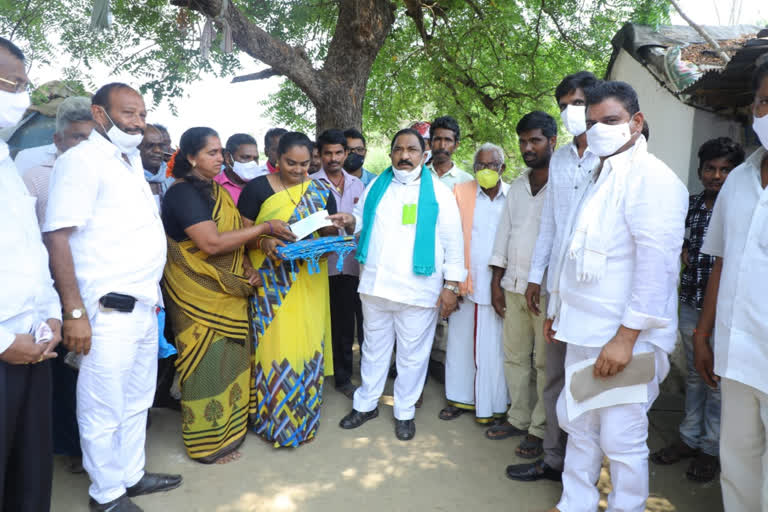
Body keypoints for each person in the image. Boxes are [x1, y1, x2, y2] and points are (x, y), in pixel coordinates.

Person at [544, 81, 687, 512]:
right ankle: (575, 504)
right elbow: (570, 249)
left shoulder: (654, 179)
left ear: (636, 122)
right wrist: (558, 309)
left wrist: (625, 339)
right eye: (592, 123)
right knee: (580, 427)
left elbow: (656, 267)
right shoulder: (599, 173)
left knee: (622, 439)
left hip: (625, 338)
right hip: (583, 329)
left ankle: (627, 506)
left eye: (610, 121)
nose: (599, 130)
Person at [43, 82, 182, 512]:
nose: (138, 123)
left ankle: (130, 475)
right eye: (128, 114)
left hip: (142, 307)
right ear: (100, 115)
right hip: (105, 311)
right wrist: (74, 312)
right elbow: (58, 238)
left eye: (141, 114)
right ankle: (105, 495)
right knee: (102, 406)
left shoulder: (128, 163)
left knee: (137, 400)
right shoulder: (81, 161)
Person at [161, 127, 293, 463]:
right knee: (205, 365)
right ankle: (206, 446)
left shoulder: (215, 191)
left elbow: (232, 237)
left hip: (228, 288)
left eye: (221, 152)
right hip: (197, 294)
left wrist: (247, 262)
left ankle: (231, 432)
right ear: (190, 157)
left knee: (230, 361)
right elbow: (211, 243)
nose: (221, 158)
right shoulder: (183, 193)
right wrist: (265, 228)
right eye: (212, 152)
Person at [331, 128, 465, 441]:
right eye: (398, 149)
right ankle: (365, 404)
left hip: (418, 289)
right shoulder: (377, 184)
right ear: (391, 153)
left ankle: (404, 411)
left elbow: (453, 241)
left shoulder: (440, 194)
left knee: (412, 356)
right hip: (376, 285)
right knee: (373, 350)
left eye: (411, 150)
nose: (404, 156)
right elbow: (360, 219)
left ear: (424, 153)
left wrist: (452, 286)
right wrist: (349, 222)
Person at [511, 70, 600, 484]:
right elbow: (550, 225)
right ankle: (552, 459)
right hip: (558, 286)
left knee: (591, 382)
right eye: (564, 106)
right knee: (554, 375)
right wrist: (535, 278)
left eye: (578, 103)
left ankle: (584, 468)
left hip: (599, 291)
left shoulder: (611, 157)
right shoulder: (562, 159)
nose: (571, 113)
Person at [693, 61, 768, 511]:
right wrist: (703, 335)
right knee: (737, 461)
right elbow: (721, 262)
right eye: (764, 101)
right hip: (737, 352)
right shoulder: (739, 180)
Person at [650, 137, 744, 483]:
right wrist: (684, 253)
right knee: (694, 374)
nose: (716, 176)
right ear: (700, 170)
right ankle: (689, 438)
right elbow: (678, 242)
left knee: (716, 379)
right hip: (691, 302)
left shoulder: (742, 207)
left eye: (724, 170)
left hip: (726, 310)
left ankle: (711, 447)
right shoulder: (690, 205)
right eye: (710, 168)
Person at [237, 131, 336, 447]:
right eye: (291, 163)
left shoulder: (321, 189)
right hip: (271, 284)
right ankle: (273, 421)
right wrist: (264, 240)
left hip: (310, 280)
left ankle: (305, 418)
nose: (298, 170)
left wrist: (334, 238)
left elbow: (328, 233)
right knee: (276, 348)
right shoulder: (257, 189)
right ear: (276, 159)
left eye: (306, 164)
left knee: (307, 343)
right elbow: (240, 235)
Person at [0, 36, 62, 512]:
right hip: (5, 346)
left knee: (29, 473)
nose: (19, 97)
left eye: (22, 84)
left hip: (34, 341)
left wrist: (53, 315)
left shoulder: (4, 160)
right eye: (9, 83)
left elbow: (29, 252)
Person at [22, 95, 93, 476]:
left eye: (89, 138)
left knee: (92, 371)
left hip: (97, 287)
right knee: (65, 374)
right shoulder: (35, 174)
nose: (81, 146)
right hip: (57, 292)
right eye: (74, 138)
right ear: (58, 138)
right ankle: (71, 447)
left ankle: (92, 445)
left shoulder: (104, 168)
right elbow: (33, 240)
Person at [485, 112, 556, 461]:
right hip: (512, 284)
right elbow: (504, 235)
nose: (528, 148)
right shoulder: (517, 186)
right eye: (523, 142)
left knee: (544, 365)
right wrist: (496, 283)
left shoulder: (566, 185)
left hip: (544, 290)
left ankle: (540, 430)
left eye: (535, 141)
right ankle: (518, 417)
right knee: (514, 357)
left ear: (552, 142)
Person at [439, 142, 510, 425]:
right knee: (460, 344)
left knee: (495, 347)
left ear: (502, 168)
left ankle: (493, 403)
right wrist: (451, 284)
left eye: (491, 165)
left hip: (499, 284)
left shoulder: (513, 195)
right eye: (480, 166)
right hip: (465, 283)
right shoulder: (461, 193)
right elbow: (449, 239)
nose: (485, 170)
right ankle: (459, 398)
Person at [313, 129, 365, 399]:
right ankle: (328, 376)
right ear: (319, 155)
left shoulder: (359, 185)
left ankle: (352, 376)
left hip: (354, 265)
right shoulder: (310, 185)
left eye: (338, 153)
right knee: (329, 324)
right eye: (327, 153)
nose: (333, 158)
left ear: (346, 153)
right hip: (324, 266)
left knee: (353, 324)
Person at [24, 96, 94, 226]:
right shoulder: (35, 178)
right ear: (58, 140)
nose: (87, 145)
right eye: (78, 137)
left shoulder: (112, 172)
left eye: (92, 138)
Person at [214, 133, 263, 204]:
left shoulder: (262, 185)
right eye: (245, 157)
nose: (252, 163)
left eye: (255, 159)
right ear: (228, 157)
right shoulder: (212, 187)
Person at [429, 115, 474, 189]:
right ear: (430, 142)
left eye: (448, 140)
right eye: (438, 139)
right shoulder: (419, 176)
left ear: (456, 145)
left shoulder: (466, 180)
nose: (442, 146)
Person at [140, 124, 176, 207]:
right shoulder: (127, 176)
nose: (157, 150)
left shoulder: (175, 175)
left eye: (161, 145)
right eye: (150, 145)